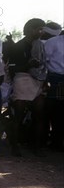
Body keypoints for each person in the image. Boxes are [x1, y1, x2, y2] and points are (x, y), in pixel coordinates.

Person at [7, 18, 47, 156]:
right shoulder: (18, 46)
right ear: (31, 30)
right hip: (22, 79)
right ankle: (15, 146)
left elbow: (44, 65)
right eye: (39, 29)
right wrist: (28, 65)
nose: (41, 32)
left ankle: (36, 146)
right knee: (18, 114)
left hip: (38, 81)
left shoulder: (40, 45)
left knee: (39, 114)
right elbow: (12, 69)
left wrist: (44, 81)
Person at [42, 22, 64, 151]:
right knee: (56, 111)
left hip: (57, 78)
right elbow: (44, 61)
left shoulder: (53, 41)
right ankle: (55, 141)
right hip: (55, 78)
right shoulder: (53, 41)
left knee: (59, 112)